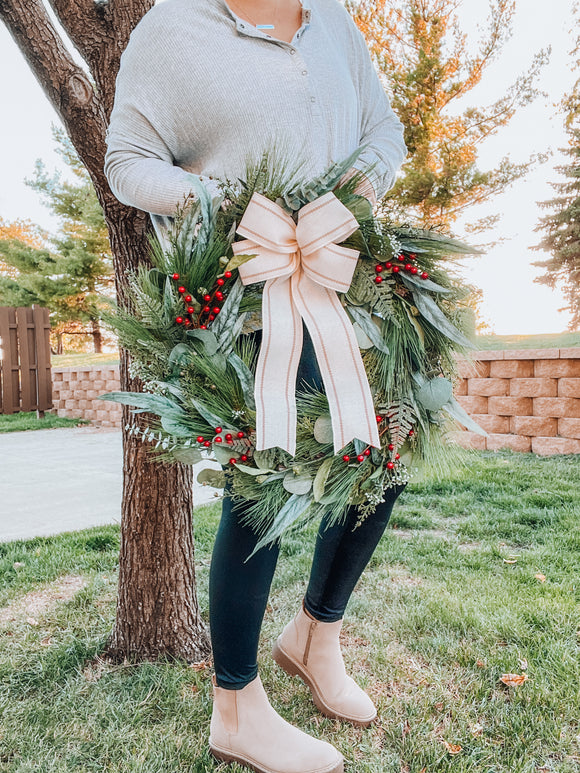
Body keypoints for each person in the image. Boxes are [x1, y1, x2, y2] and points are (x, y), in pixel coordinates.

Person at [104, 1, 408, 771]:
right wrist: (238, 204)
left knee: (385, 449)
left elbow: (383, 130)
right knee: (269, 472)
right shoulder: (171, 30)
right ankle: (236, 706)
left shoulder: (332, 20)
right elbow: (128, 160)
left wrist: (350, 206)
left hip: (344, 275)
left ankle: (315, 636)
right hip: (244, 295)